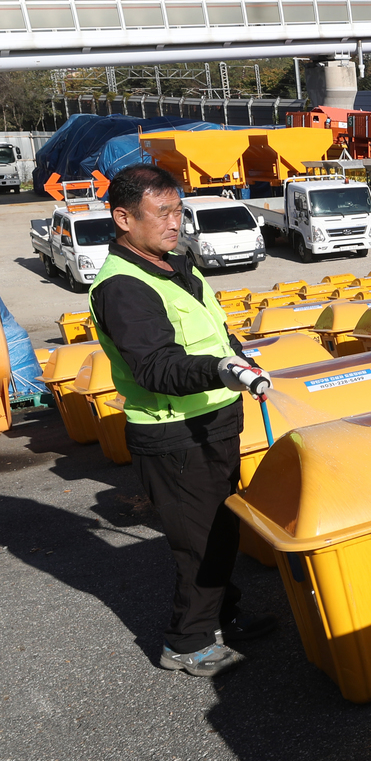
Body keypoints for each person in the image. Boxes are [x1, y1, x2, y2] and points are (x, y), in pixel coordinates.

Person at [89, 164, 276, 677]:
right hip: (172, 435)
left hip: (213, 420)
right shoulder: (123, 287)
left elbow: (215, 334)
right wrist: (221, 369)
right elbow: (154, 366)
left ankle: (224, 615)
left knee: (220, 529)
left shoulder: (179, 267)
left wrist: (239, 357)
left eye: (179, 210)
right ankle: (186, 642)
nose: (175, 222)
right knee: (198, 543)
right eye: (162, 212)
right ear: (123, 218)